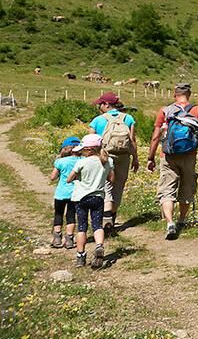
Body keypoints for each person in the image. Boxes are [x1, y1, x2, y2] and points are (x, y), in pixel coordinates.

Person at [146, 83, 198, 240]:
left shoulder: (165, 111)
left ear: (175, 95)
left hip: (168, 155)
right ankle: (181, 220)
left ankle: (170, 222)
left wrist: (150, 157)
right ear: (189, 94)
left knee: (167, 189)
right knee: (187, 187)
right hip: (189, 155)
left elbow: (156, 136)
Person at [88, 92, 138, 234]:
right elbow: (132, 140)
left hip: (104, 156)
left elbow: (91, 142)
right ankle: (112, 218)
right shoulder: (128, 118)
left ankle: (106, 218)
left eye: (100, 104)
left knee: (106, 186)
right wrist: (135, 158)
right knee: (119, 186)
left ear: (106, 104)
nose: (99, 107)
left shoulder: (97, 120)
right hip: (123, 156)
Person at [66, 134, 114, 269]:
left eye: (83, 150)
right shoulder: (108, 161)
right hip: (98, 197)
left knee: (82, 227)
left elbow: (69, 179)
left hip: (81, 198)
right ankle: (99, 246)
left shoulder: (82, 162)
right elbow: (112, 179)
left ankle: (80, 256)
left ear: (89, 150)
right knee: (97, 225)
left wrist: (77, 178)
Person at [48, 136, 81, 249]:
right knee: (71, 215)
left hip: (61, 193)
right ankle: (69, 239)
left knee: (58, 214)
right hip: (75, 193)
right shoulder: (82, 160)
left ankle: (57, 238)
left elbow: (53, 177)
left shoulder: (60, 162)